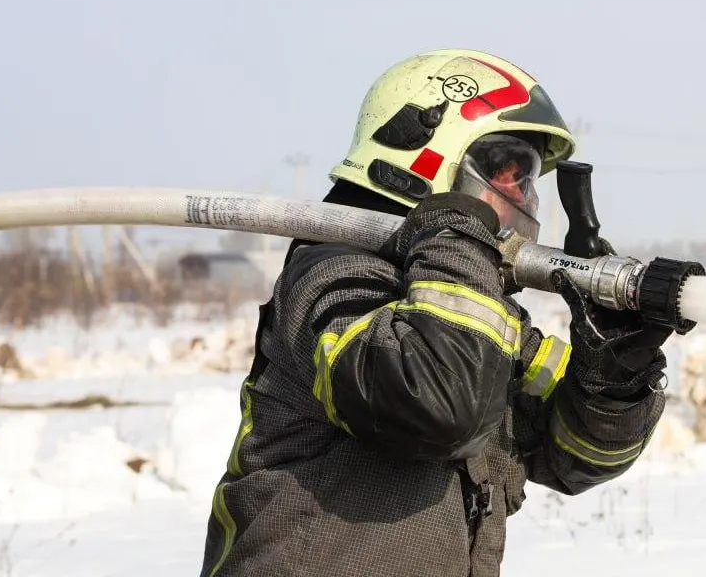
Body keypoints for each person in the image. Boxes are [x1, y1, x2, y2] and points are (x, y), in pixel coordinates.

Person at [199, 49, 672, 577]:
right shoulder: (333, 278)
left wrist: (610, 373)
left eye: (530, 177)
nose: (526, 197)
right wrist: (458, 233)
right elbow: (441, 408)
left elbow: (577, 459)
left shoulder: (472, 316)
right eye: (507, 169)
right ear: (425, 159)